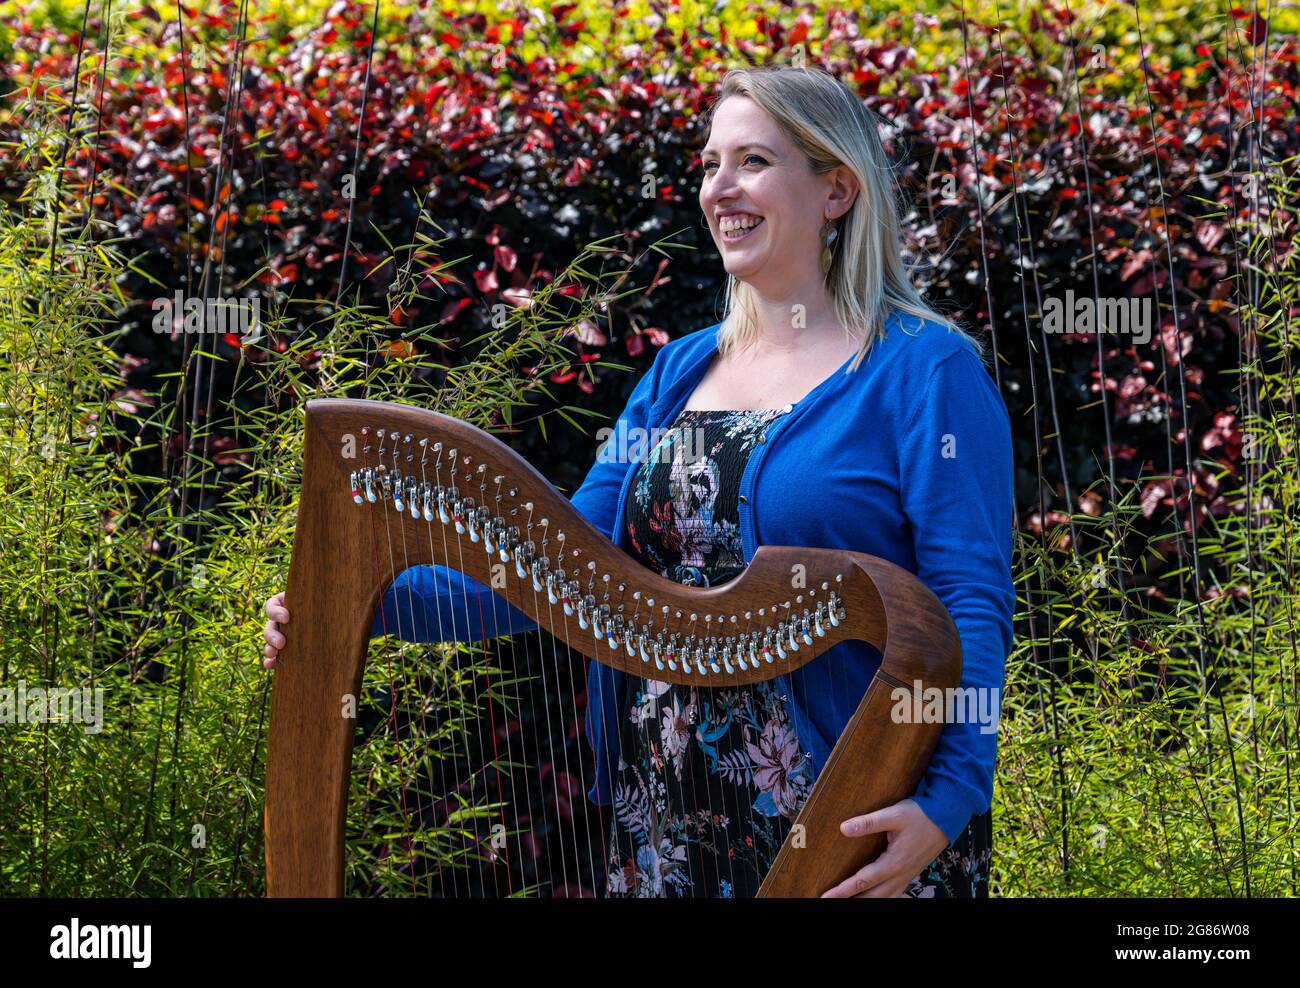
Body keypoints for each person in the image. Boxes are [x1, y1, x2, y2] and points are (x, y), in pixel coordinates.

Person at [263, 64, 1014, 898]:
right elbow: (558, 570)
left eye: (754, 161)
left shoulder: (926, 371)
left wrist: (947, 802)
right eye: (710, 165)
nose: (720, 188)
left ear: (836, 190)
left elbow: (970, 600)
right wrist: (356, 601)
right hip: (665, 822)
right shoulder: (676, 374)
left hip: (855, 827)